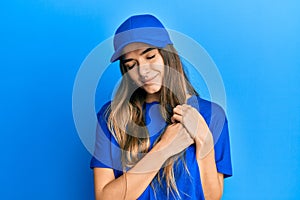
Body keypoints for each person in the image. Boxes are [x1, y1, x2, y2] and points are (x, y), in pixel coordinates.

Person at [90, 14, 232, 200]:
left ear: (167, 55)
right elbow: (105, 198)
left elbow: (212, 197)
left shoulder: (212, 115)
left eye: (150, 56)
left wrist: (204, 139)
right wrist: (164, 148)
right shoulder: (112, 117)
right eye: (131, 65)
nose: (143, 71)